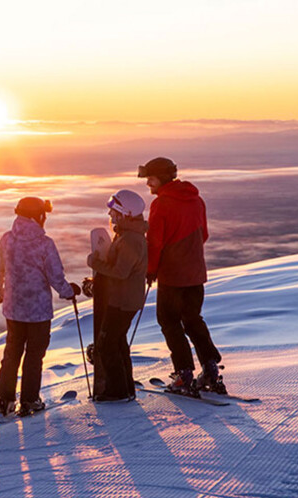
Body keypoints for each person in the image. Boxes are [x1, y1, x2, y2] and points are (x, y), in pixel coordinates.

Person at [139, 157, 226, 396]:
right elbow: (203, 235)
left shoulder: (161, 204)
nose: (148, 183)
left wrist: (150, 270)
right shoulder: (197, 200)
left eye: (151, 178)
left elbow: (155, 243)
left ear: (163, 177)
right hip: (196, 274)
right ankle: (210, 368)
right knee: (193, 320)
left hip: (172, 277)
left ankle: (183, 374)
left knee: (169, 322)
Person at [0, 197, 80, 416]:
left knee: (11, 353)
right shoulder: (44, 243)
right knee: (33, 356)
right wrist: (70, 292)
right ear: (37, 216)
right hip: (38, 312)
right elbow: (55, 276)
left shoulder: (7, 240)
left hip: (13, 309)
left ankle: (5, 400)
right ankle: (29, 400)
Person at [86, 190, 148, 401]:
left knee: (107, 345)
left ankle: (118, 392)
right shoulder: (126, 235)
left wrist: (96, 264)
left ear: (125, 213)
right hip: (123, 299)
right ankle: (126, 388)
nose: (111, 215)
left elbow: (121, 272)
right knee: (118, 342)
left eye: (114, 211)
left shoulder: (130, 239)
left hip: (123, 301)